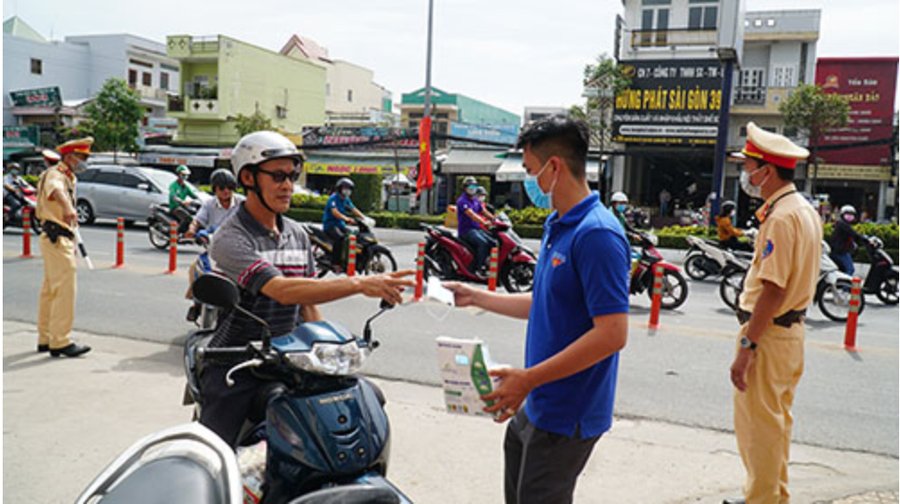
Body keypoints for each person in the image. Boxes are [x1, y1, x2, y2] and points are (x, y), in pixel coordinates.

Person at [445, 117, 630, 504]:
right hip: (539, 402)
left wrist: (527, 379)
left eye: (530, 171)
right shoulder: (558, 224)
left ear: (555, 167)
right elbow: (544, 301)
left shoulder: (597, 234)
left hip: (569, 412)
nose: (530, 181)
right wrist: (477, 296)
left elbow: (612, 334)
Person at [201, 131, 413, 447]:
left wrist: (329, 352)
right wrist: (358, 283)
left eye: (292, 176)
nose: (288, 186)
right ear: (248, 177)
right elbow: (283, 291)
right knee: (213, 455)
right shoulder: (232, 238)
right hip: (239, 362)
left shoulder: (297, 233)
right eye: (277, 176)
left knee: (367, 401)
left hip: (289, 357)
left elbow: (306, 300)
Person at [725, 122, 822, 504]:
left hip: (768, 334)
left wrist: (747, 345)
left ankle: (762, 499)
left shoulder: (781, 217)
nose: (746, 174)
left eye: (749, 166)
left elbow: (773, 288)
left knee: (759, 428)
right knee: (775, 423)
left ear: (766, 169)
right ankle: (770, 495)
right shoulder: (802, 210)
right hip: (788, 335)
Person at [34, 138, 94, 358]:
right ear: (70, 157)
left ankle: (46, 337)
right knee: (65, 289)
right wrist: (68, 208)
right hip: (56, 237)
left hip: (59, 237)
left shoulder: (68, 175)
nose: (85, 161)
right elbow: (57, 191)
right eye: (83, 157)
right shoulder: (56, 174)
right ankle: (60, 341)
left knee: (51, 289)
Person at [184, 168, 246, 322]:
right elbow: (197, 220)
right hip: (214, 249)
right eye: (222, 188)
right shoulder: (209, 204)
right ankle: (196, 304)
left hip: (239, 250)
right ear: (215, 189)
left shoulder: (243, 203)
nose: (226, 191)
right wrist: (192, 230)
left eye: (230, 187)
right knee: (195, 269)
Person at [322, 177, 366, 271]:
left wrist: (364, 217)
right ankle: (335, 263)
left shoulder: (346, 199)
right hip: (330, 225)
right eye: (345, 188)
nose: (347, 190)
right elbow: (334, 211)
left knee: (353, 235)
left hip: (340, 225)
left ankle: (347, 260)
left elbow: (353, 209)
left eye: (349, 188)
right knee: (340, 238)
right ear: (340, 188)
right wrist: (345, 218)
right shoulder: (333, 198)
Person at [456, 176, 497, 274]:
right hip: (466, 231)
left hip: (476, 229)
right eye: (470, 186)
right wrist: (484, 222)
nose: (472, 188)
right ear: (465, 188)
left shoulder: (475, 200)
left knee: (493, 243)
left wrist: (494, 218)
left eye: (474, 186)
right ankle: (479, 268)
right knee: (482, 243)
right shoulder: (462, 201)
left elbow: (483, 211)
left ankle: (489, 265)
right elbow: (471, 214)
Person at [828, 205, 868, 275]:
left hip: (839, 251)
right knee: (850, 269)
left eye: (851, 214)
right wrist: (866, 240)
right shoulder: (842, 224)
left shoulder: (844, 224)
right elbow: (854, 234)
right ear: (842, 215)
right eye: (847, 214)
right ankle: (845, 285)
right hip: (840, 252)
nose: (850, 216)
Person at [169, 165, 199, 234]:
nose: (185, 176)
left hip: (183, 206)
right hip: (175, 207)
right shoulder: (174, 185)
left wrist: (199, 198)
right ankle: (176, 233)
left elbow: (193, 195)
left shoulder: (186, 186)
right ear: (178, 174)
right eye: (183, 174)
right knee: (187, 217)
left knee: (193, 214)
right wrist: (181, 201)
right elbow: (173, 196)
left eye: (186, 175)